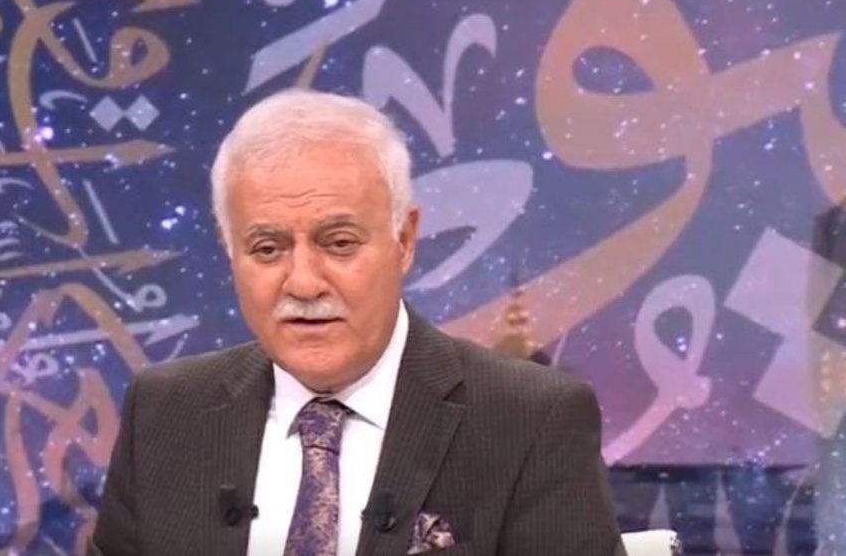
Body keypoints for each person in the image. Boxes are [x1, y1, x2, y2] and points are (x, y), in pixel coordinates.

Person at [90, 89, 626, 556]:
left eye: (339, 243)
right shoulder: (164, 413)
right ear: (230, 250)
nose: (304, 283)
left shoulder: (530, 419)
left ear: (404, 240)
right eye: (268, 248)